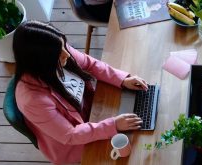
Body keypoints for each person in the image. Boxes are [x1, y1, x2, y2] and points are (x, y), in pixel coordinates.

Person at [13, 20, 148, 164]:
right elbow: (70, 135)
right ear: (41, 61)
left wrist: (122, 79)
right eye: (60, 53)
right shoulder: (32, 100)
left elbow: (90, 64)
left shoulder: (56, 50)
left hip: (93, 112)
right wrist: (113, 125)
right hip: (74, 143)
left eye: (64, 46)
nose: (68, 54)